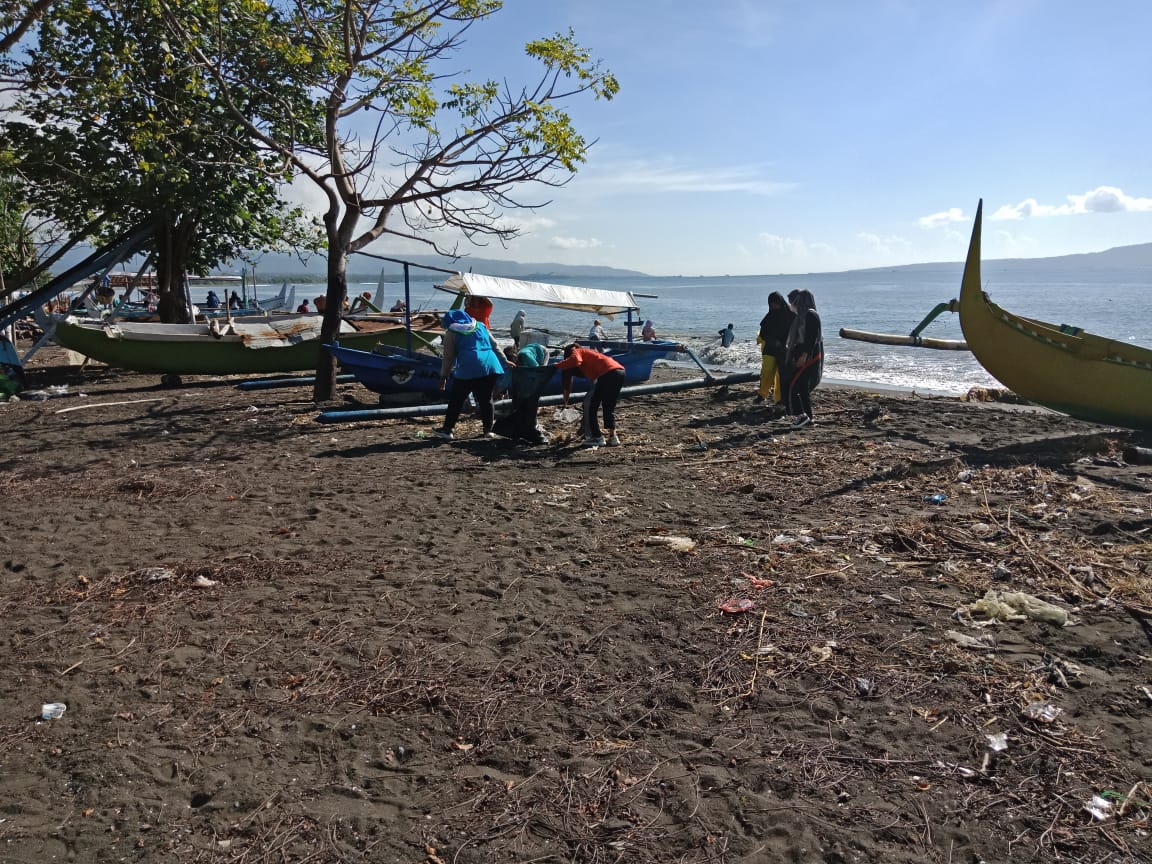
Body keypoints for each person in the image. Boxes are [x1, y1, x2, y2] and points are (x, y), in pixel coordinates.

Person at [431, 308, 505, 441]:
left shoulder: (452, 331)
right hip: (490, 364)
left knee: (456, 400)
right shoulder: (480, 325)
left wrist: (443, 377)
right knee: (486, 399)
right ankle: (488, 430)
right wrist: (505, 360)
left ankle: (448, 430)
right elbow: (495, 345)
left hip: (468, 366)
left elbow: (448, 358)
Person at [556, 344, 625, 447]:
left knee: (590, 406)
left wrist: (557, 365)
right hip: (620, 371)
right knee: (609, 406)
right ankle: (613, 437)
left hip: (607, 374)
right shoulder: (590, 355)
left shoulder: (577, 351)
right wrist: (566, 401)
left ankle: (597, 437)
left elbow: (575, 360)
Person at [782, 289, 823, 428]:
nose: (791, 306)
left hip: (809, 356)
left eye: (792, 303)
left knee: (794, 385)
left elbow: (811, 338)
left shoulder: (811, 315)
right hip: (801, 353)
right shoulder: (801, 317)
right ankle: (807, 417)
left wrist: (804, 356)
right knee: (801, 387)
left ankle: (803, 415)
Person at [755, 292, 794, 408]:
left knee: (780, 375)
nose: (773, 307)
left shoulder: (790, 316)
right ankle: (762, 394)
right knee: (767, 372)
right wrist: (772, 340)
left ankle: (779, 398)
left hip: (783, 350)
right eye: (771, 305)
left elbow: (796, 332)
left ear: (780, 303)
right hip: (770, 348)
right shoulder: (769, 316)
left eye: (775, 304)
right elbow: (763, 333)